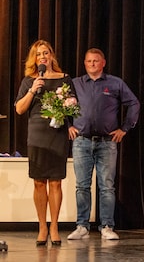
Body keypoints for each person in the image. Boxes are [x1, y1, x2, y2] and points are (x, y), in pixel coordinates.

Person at [66, 48, 140, 241]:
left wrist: (125, 128)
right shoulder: (75, 84)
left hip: (107, 142)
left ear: (103, 62)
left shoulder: (115, 83)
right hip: (81, 141)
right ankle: (82, 226)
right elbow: (60, 104)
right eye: (89, 61)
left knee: (106, 186)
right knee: (82, 186)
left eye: (96, 61)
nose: (92, 64)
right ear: (84, 63)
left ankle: (107, 225)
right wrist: (67, 125)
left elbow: (134, 103)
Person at [15, 40, 75, 247]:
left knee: (56, 182)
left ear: (51, 56)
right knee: (39, 182)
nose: (42, 57)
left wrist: (67, 119)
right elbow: (20, 109)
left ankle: (55, 226)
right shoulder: (29, 80)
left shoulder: (64, 78)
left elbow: (73, 106)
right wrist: (32, 90)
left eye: (46, 53)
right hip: (37, 135)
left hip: (57, 134)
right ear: (35, 58)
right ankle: (42, 226)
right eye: (38, 54)